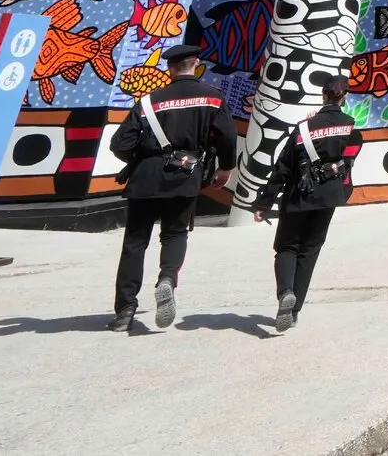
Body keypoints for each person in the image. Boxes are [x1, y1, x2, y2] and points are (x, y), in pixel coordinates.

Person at [107, 43, 239, 332]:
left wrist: (141, 159)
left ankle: (124, 310)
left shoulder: (147, 102)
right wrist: (225, 168)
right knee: (176, 233)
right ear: (196, 64)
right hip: (185, 176)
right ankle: (167, 278)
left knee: (134, 243)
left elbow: (120, 144)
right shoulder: (213, 99)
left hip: (145, 179)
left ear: (169, 68)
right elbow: (227, 137)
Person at [252, 73, 361, 331]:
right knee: (309, 250)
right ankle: (295, 309)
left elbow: (283, 169)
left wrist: (263, 203)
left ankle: (285, 293)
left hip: (299, 195)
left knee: (287, 247)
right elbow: (349, 158)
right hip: (329, 197)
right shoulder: (351, 126)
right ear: (343, 97)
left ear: (323, 96)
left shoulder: (303, 128)